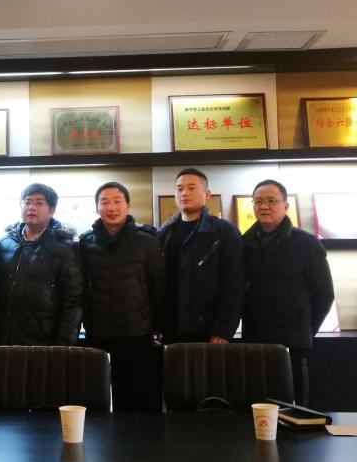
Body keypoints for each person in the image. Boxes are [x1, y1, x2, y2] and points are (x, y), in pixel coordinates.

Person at [242, 179, 334, 406]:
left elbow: (324, 294)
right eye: (258, 202)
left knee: (298, 407)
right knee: (257, 405)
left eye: (271, 201)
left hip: (295, 342)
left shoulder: (307, 244)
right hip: (255, 340)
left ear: (285, 205)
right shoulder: (243, 244)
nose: (264, 206)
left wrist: (306, 329)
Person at [77, 182, 166, 411]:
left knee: (136, 401)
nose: (111, 207)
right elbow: (80, 286)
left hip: (137, 335)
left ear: (128, 205)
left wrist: (151, 322)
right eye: (104, 202)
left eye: (117, 201)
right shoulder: (86, 243)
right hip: (98, 335)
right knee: (97, 400)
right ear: (97, 208)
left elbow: (159, 286)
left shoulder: (147, 240)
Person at [158, 168, 244, 344]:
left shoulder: (224, 231)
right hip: (170, 327)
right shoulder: (165, 232)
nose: (184, 193)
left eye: (191, 188)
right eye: (179, 189)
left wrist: (224, 329)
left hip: (207, 329)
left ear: (207, 194)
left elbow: (235, 283)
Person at [0, 183, 82, 346]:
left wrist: (63, 345)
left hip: (45, 342)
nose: (31, 207)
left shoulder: (65, 248)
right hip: (4, 339)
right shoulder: (4, 243)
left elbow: (73, 301)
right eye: (27, 202)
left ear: (52, 210)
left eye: (39, 203)